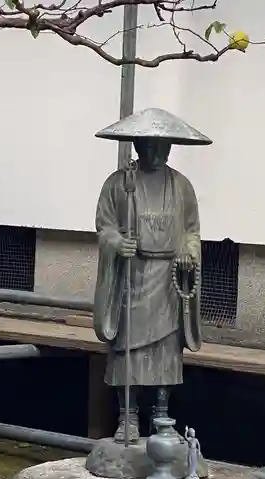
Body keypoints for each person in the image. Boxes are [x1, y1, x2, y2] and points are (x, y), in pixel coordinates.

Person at [93, 108, 212, 443]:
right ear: (137, 145)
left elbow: (191, 230)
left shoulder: (182, 186)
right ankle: (127, 415)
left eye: (164, 147)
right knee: (127, 347)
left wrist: (189, 251)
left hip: (168, 278)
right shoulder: (119, 184)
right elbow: (104, 227)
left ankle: (162, 414)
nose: (157, 153)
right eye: (150, 146)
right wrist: (118, 242)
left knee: (165, 350)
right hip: (133, 275)